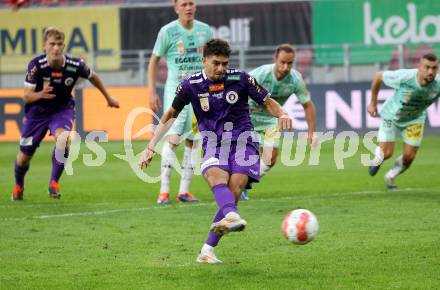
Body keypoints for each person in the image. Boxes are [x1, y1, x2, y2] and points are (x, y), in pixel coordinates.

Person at [139, 38, 292, 264]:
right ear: (204, 61)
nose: (221, 68)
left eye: (225, 63)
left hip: (243, 141)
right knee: (216, 179)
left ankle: (210, 246)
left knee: (235, 189)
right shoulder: (190, 85)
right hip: (213, 142)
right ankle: (215, 239)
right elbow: (170, 115)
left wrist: (283, 114)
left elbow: (267, 101)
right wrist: (150, 145)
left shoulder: (241, 78)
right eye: (216, 63)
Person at [11, 27, 120, 201]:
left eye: (59, 44)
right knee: (24, 158)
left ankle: (53, 182)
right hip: (37, 114)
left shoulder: (74, 65)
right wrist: (41, 94)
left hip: (61, 110)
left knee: (64, 139)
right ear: (44, 46)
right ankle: (19, 185)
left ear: (64, 45)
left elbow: (93, 76)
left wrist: (108, 97)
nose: (56, 48)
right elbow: (26, 96)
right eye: (52, 44)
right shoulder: (36, 66)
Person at [147, 0, 213, 204]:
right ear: (176, 8)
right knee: (173, 138)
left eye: (191, 3)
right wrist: (152, 91)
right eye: (184, 4)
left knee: (193, 140)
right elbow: (153, 60)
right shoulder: (167, 32)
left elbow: (212, 61)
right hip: (176, 90)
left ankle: (184, 191)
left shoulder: (205, 30)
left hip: (200, 91)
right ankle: (164, 191)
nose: (188, 7)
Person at [240, 43, 317, 200]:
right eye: (282, 62)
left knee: (270, 159)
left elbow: (308, 105)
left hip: (271, 119)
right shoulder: (260, 74)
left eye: (290, 63)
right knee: (245, 155)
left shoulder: (295, 79)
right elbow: (239, 91)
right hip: (248, 115)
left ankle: (243, 184)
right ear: (275, 59)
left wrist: (311, 132)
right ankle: (236, 184)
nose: (286, 66)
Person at [367, 53, 440, 189]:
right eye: (427, 67)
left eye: (434, 68)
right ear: (419, 66)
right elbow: (378, 76)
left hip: (414, 120)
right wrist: (372, 103)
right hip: (391, 116)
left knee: (409, 157)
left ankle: (391, 176)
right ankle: (377, 158)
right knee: (386, 153)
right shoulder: (405, 76)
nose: (431, 71)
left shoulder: (438, 84)